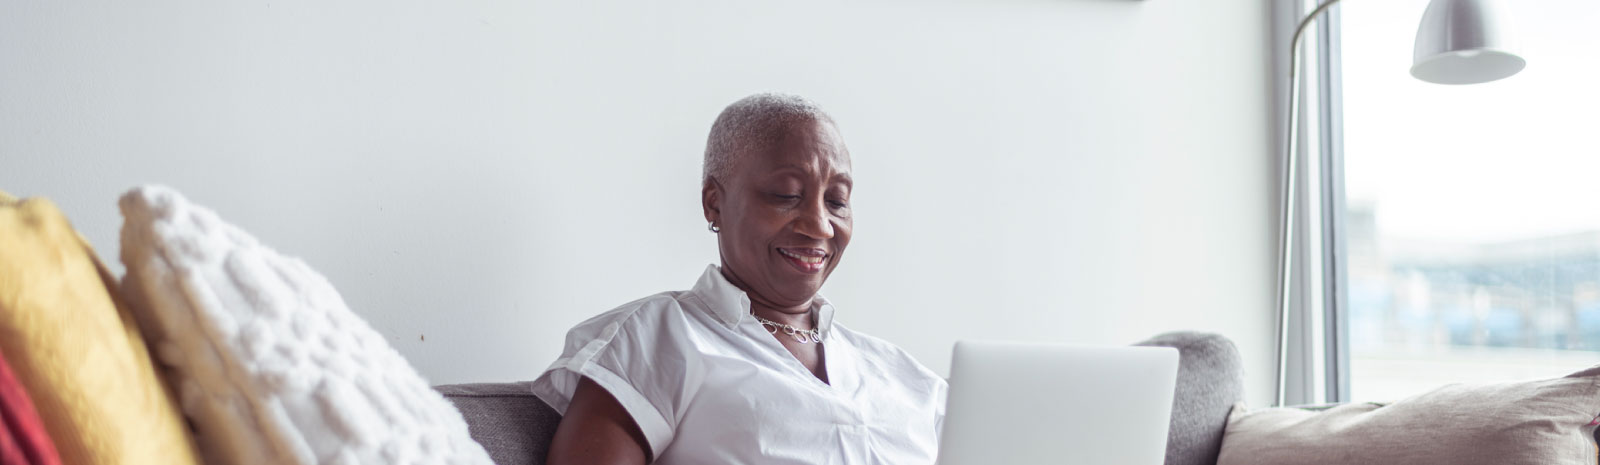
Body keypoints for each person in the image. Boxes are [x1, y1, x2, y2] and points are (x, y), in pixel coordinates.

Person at [534, 93, 947, 465]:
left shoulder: (908, 379)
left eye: (837, 201)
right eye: (786, 195)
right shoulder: (658, 338)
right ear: (714, 203)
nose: (820, 226)